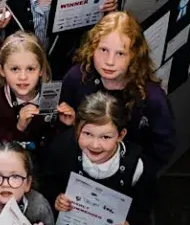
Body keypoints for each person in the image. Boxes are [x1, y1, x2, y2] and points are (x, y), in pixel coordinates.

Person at [60, 11, 177, 171]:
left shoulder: (151, 97)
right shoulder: (76, 78)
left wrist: (135, 172)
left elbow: (163, 146)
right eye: (103, 50)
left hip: (129, 176)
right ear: (92, 48)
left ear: (134, 56)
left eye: (120, 54)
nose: (109, 61)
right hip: (78, 168)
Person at [43, 92, 154, 225]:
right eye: (87, 134)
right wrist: (57, 199)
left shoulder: (137, 167)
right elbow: (49, 185)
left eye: (105, 137)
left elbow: (144, 209)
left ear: (120, 135)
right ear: (77, 129)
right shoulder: (62, 149)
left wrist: (130, 222)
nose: (95, 145)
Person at [0, 32, 63, 150]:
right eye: (15, 69)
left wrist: (66, 124)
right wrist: (19, 128)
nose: (23, 77)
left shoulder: (51, 93)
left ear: (41, 70)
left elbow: (53, 139)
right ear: (1, 70)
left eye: (30, 69)